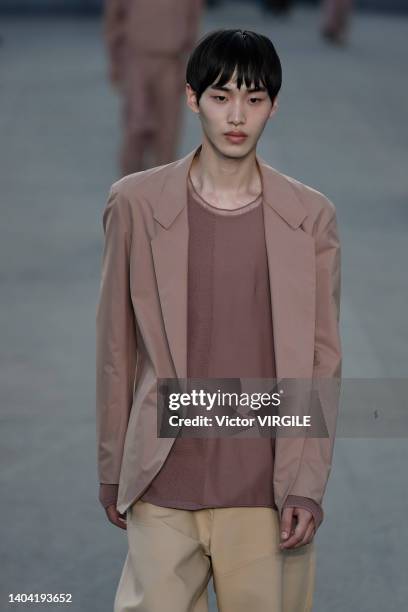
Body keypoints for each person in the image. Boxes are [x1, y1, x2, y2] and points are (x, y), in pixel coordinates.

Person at [96, 28, 342, 612]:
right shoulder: (135, 204)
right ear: (192, 99)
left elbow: (321, 359)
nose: (237, 115)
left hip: (266, 493)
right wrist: (112, 466)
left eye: (254, 99)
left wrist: (306, 483)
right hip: (163, 479)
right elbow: (115, 346)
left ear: (273, 106)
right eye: (221, 96)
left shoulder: (310, 217)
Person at [103, 0, 203, 175]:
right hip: (136, 58)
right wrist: (115, 61)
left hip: (172, 59)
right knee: (137, 125)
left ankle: (161, 190)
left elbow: (193, 16)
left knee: (168, 131)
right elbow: (113, 17)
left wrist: (191, 63)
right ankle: (130, 186)